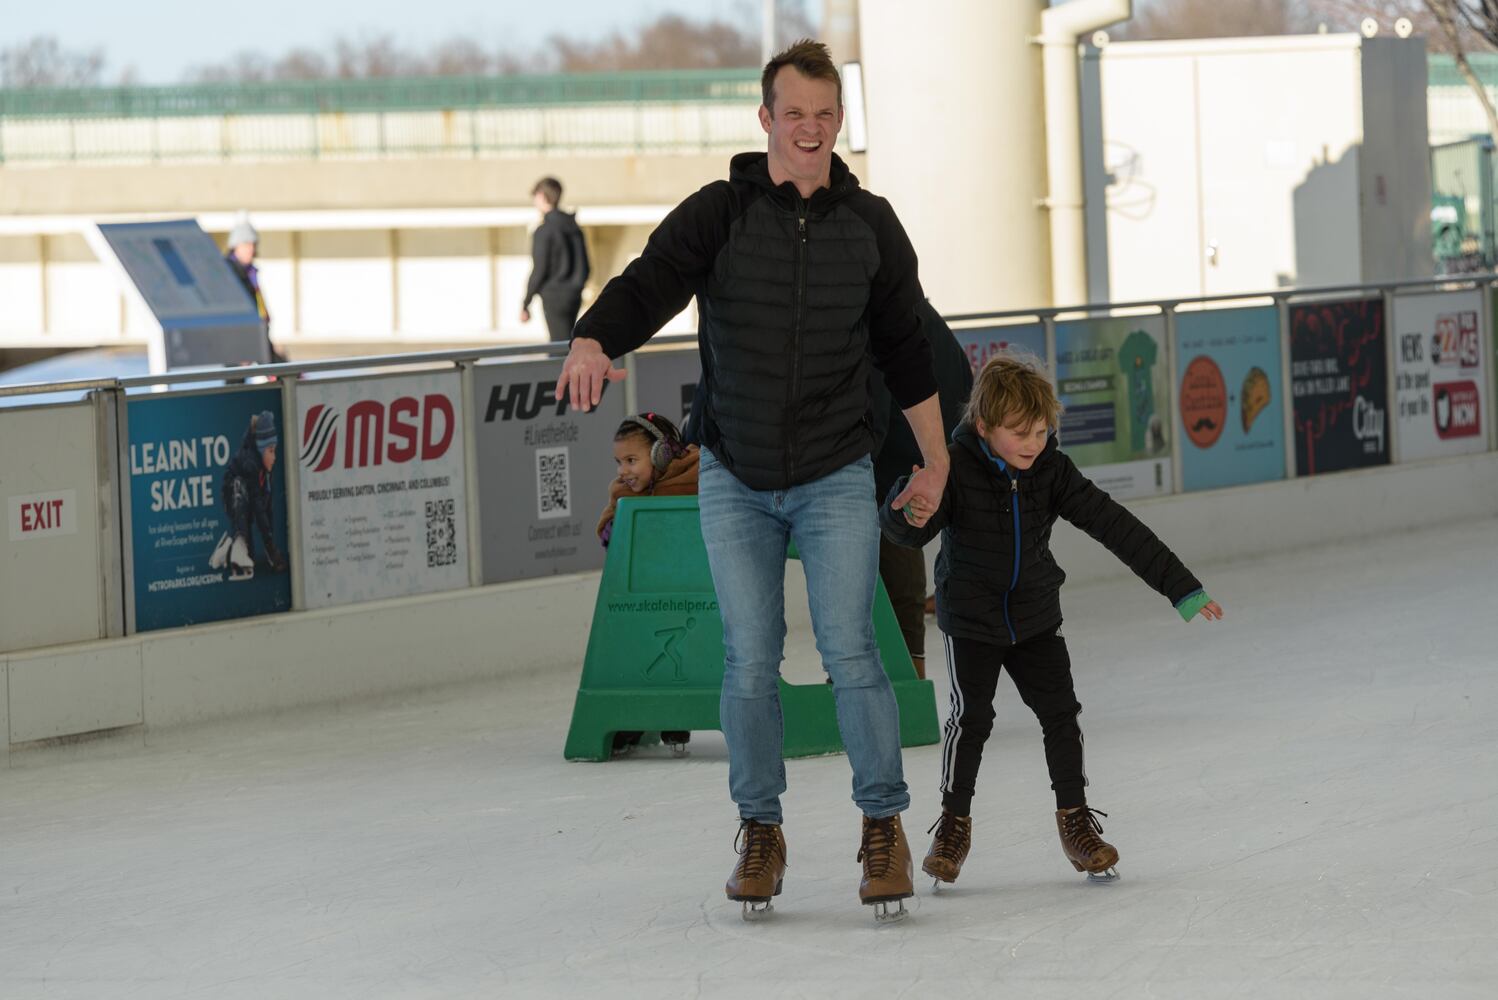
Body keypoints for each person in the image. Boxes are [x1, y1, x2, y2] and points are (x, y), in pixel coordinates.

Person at [558, 40, 950, 922]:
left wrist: (936, 455)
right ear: (765, 117)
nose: (809, 130)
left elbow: (904, 348)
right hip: (735, 474)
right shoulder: (720, 212)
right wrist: (593, 336)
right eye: (793, 113)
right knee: (748, 661)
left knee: (852, 651)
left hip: (836, 471)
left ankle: (881, 825)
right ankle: (760, 829)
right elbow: (651, 281)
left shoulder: (871, 224)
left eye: (824, 114)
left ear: (838, 121)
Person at [880, 354, 1224, 888]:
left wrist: (1180, 587)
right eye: (1020, 432)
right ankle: (952, 825)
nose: (1033, 442)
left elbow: (1115, 525)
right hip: (971, 619)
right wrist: (907, 513)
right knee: (970, 720)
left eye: (1041, 430)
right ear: (984, 426)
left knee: (1061, 714)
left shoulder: (1051, 472)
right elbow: (911, 532)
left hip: (1035, 615)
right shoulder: (954, 467)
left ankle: (1076, 823)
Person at [867, 299, 972, 680]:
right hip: (924, 459)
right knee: (900, 556)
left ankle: (902, 680)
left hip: (893, 466)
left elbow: (874, 401)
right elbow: (964, 385)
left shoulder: (880, 317)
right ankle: (910, 675)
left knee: (887, 562)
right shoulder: (919, 313)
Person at [596, 412, 701, 756]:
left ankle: (678, 716)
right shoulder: (622, 491)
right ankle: (631, 718)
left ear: (662, 454)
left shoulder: (696, 474)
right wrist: (614, 531)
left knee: (683, 656)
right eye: (618, 462)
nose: (623, 471)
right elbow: (608, 522)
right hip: (643, 589)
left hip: (691, 589)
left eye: (631, 460)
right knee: (633, 654)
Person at [208, 410, 286, 580]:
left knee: (257, 503)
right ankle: (238, 542)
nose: (274, 457)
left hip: (246, 498)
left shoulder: (265, 470)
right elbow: (258, 509)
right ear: (261, 448)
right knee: (242, 492)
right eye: (271, 451)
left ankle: (226, 548)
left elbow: (266, 508)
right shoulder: (250, 463)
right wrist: (270, 545)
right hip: (233, 495)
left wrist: (270, 545)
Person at [521, 177, 591, 342]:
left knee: (558, 348)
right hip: (574, 296)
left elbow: (539, 270)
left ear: (541, 196)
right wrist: (577, 286)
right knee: (569, 342)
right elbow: (587, 266)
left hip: (554, 297)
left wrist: (526, 302)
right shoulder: (575, 228)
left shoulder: (544, 231)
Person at [223, 216, 283, 366]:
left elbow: (257, 299)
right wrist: (241, 345)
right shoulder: (230, 272)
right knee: (236, 379)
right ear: (235, 246)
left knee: (277, 370)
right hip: (239, 336)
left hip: (257, 330)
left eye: (252, 244)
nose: (251, 249)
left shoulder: (249, 272)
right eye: (246, 244)